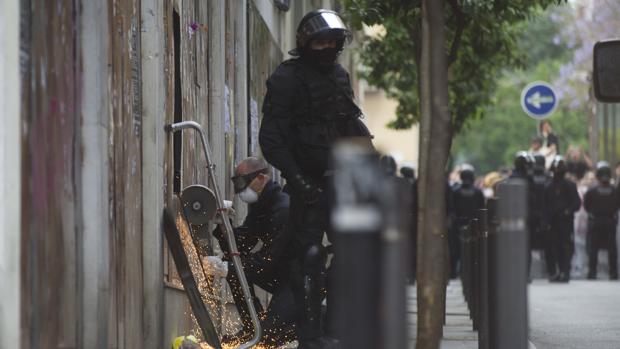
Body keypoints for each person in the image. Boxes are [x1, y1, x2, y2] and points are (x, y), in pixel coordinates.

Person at [258, 9, 373, 348]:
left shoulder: (339, 76)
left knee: (351, 254)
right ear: (306, 43)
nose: (325, 47)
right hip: (306, 184)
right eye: (318, 41)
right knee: (307, 259)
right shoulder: (287, 78)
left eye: (331, 42)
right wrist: (297, 178)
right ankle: (310, 336)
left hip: (343, 182)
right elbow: (272, 138)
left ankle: (338, 327)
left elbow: (350, 125)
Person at [206, 157, 295, 347]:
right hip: (280, 272)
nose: (240, 189)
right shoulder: (262, 206)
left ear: (261, 178)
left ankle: (317, 321)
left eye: (243, 182)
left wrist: (228, 267)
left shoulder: (282, 210)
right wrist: (224, 225)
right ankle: (252, 329)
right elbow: (241, 246)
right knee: (235, 268)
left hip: (298, 280)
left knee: (268, 339)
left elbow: (267, 260)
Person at [544, 156, 581, 282]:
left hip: (565, 222)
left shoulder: (570, 185)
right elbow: (545, 205)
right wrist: (546, 221)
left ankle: (565, 271)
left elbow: (576, 203)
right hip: (553, 223)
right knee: (553, 247)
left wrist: (567, 211)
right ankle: (556, 272)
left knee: (566, 247)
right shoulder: (548, 186)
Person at [583, 161, 619, 280]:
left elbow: (586, 205)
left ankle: (592, 272)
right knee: (611, 248)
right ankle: (613, 272)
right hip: (610, 221)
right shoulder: (615, 191)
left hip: (596, 222)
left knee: (594, 248)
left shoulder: (592, 191)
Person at [450, 164, 485, 279]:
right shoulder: (477, 192)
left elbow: (452, 208)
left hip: (458, 223)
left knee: (456, 249)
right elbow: (482, 208)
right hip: (473, 223)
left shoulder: (455, 191)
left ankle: (454, 272)